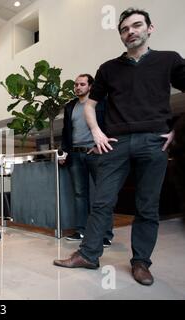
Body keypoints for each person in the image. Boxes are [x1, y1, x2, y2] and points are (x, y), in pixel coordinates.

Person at [54, 8, 185, 286]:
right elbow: (90, 104)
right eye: (125, 29)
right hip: (116, 143)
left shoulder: (169, 60)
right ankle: (89, 254)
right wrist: (97, 132)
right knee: (101, 201)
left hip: (154, 141)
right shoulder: (108, 69)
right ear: (121, 36)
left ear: (150, 28)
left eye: (137, 26)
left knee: (147, 207)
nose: (131, 32)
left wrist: (177, 130)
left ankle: (141, 262)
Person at [60, 74, 113, 247]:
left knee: (102, 194)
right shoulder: (70, 106)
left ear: (90, 86)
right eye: (75, 84)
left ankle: (106, 234)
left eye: (82, 84)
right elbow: (66, 132)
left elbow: (110, 124)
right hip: (75, 155)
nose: (77, 87)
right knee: (79, 194)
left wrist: (100, 146)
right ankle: (81, 231)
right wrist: (64, 152)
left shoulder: (101, 102)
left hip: (96, 152)